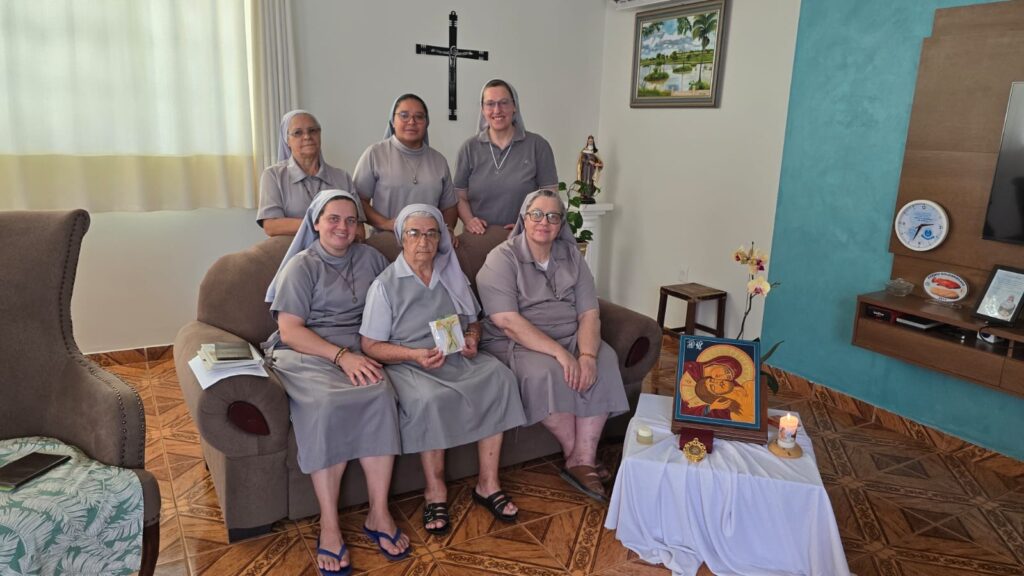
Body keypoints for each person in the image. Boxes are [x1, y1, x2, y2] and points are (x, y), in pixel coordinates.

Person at [263, 190, 408, 574]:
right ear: (316, 223)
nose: (342, 227)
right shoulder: (301, 266)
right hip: (308, 352)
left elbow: (397, 301)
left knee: (379, 394)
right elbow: (291, 330)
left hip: (359, 349)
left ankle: (379, 513)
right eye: (333, 218)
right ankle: (329, 525)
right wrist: (341, 357)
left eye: (350, 220)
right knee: (328, 404)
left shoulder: (371, 258)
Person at [360, 204, 527, 534]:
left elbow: (474, 321)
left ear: (440, 239)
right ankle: (435, 491)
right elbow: (370, 345)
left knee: (500, 378)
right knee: (429, 399)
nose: (423, 241)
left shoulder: (451, 274)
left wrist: (472, 338)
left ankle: (488, 483)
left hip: (455, 356)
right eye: (414, 233)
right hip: (411, 363)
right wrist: (414, 355)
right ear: (401, 239)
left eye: (431, 234)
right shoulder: (385, 285)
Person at [476, 189, 628, 502]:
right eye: (536, 214)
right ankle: (579, 456)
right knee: (546, 371)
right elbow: (507, 321)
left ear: (561, 224)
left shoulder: (572, 256)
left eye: (552, 216)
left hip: (570, 333)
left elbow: (589, 313)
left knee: (605, 359)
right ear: (524, 218)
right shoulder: (501, 258)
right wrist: (561, 354)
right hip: (518, 340)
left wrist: (587, 355)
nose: (543, 222)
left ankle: (582, 457)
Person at [454, 79, 558, 234]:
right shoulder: (469, 148)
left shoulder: (537, 145)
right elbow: (459, 196)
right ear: (482, 109)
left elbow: (550, 195)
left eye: (504, 102)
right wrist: (469, 220)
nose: (497, 110)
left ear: (514, 106)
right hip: (479, 237)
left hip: (524, 236)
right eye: (490, 104)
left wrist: (527, 223)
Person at [353, 94, 458, 245]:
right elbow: (358, 200)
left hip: (427, 244)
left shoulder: (439, 161)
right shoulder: (375, 154)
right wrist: (385, 223)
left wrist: (448, 230)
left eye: (419, 117)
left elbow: (449, 207)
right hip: (387, 240)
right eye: (404, 115)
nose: (412, 122)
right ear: (393, 121)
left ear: (426, 123)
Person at [257, 110, 364, 238]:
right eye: (298, 133)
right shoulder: (273, 175)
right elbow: (271, 226)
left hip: (339, 248)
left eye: (312, 131)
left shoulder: (342, 177)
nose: (307, 136)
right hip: (292, 247)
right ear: (287, 140)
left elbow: (359, 229)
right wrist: (322, 225)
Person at [576, 135, 603, 203]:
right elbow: (582, 159)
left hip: (592, 169)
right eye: (589, 141)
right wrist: (589, 161)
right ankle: (583, 194)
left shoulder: (595, 151)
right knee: (584, 180)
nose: (590, 142)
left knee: (591, 181)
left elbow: (598, 160)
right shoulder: (584, 150)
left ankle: (589, 195)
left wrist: (598, 164)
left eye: (591, 141)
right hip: (585, 168)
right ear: (587, 141)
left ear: (593, 142)